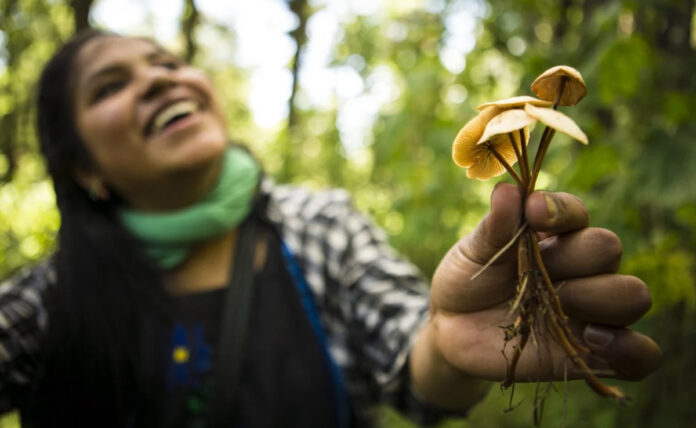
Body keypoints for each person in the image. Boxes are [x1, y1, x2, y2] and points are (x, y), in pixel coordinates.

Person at [0, 29, 661, 427]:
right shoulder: (43, 301)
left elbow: (416, 352)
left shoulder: (319, 228)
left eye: (167, 63)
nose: (156, 80)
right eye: (111, 85)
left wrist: (448, 343)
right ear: (83, 167)